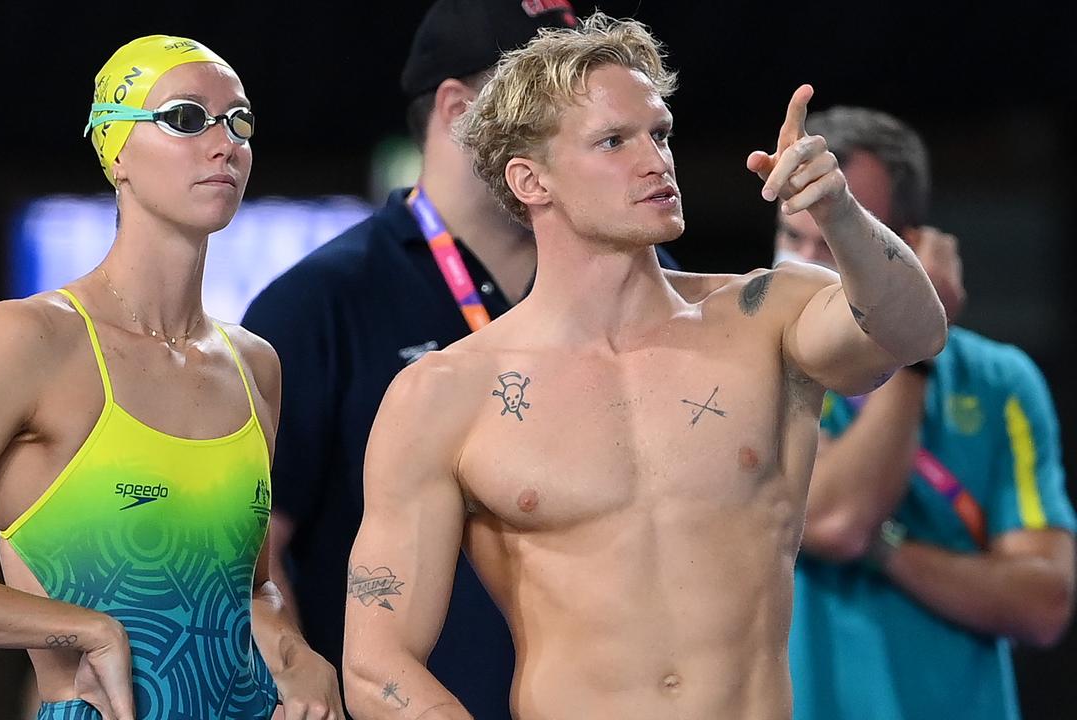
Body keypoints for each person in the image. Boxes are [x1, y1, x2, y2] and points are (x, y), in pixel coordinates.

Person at [342, 13, 947, 720]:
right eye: (613, 141)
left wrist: (840, 212)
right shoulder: (444, 395)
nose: (655, 160)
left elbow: (914, 332)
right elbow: (376, 662)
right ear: (531, 180)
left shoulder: (767, 315)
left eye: (658, 133)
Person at [0, 35, 341, 720]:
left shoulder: (254, 364)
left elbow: (249, 589)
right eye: (186, 118)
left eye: (239, 121)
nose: (224, 144)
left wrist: (294, 655)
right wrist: (84, 629)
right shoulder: (30, 341)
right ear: (116, 151)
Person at [242, 2, 685, 717]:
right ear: (458, 110)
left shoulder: (644, 278)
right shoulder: (318, 304)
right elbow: (252, 560)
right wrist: (301, 683)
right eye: (546, 91)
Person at [777, 106, 1076, 720]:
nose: (807, 265)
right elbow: (837, 518)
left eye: (838, 235)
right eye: (792, 237)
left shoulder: (998, 382)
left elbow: (1043, 602)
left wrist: (911, 348)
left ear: (905, 245)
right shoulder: (753, 366)